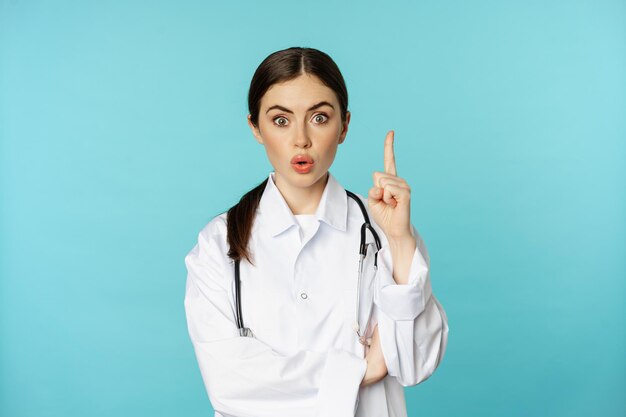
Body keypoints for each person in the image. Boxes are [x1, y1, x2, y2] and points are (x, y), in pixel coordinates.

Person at [184, 46, 449, 417]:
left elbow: (415, 364)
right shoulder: (218, 244)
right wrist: (363, 369)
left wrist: (402, 243)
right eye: (281, 120)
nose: (301, 139)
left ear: (344, 126)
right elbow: (229, 384)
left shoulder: (383, 230)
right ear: (255, 128)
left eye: (319, 117)